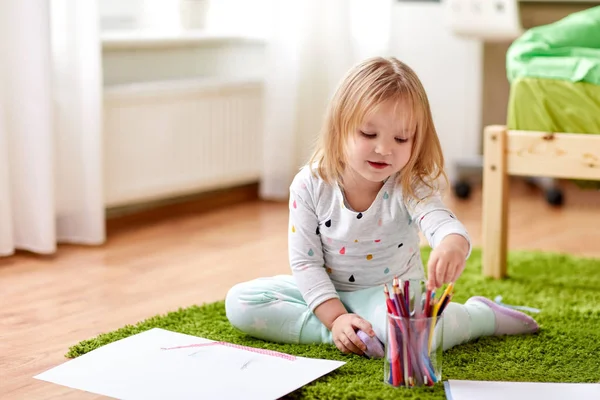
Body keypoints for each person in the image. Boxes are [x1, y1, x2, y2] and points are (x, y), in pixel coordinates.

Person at [225, 56, 539, 358]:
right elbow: (306, 264)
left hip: (395, 299)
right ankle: (350, 335)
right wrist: (335, 318)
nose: (384, 149)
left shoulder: (409, 183)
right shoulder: (309, 185)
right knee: (241, 302)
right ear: (340, 128)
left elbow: (439, 219)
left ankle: (479, 316)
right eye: (368, 134)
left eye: (401, 139)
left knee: (413, 334)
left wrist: (452, 244)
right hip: (327, 293)